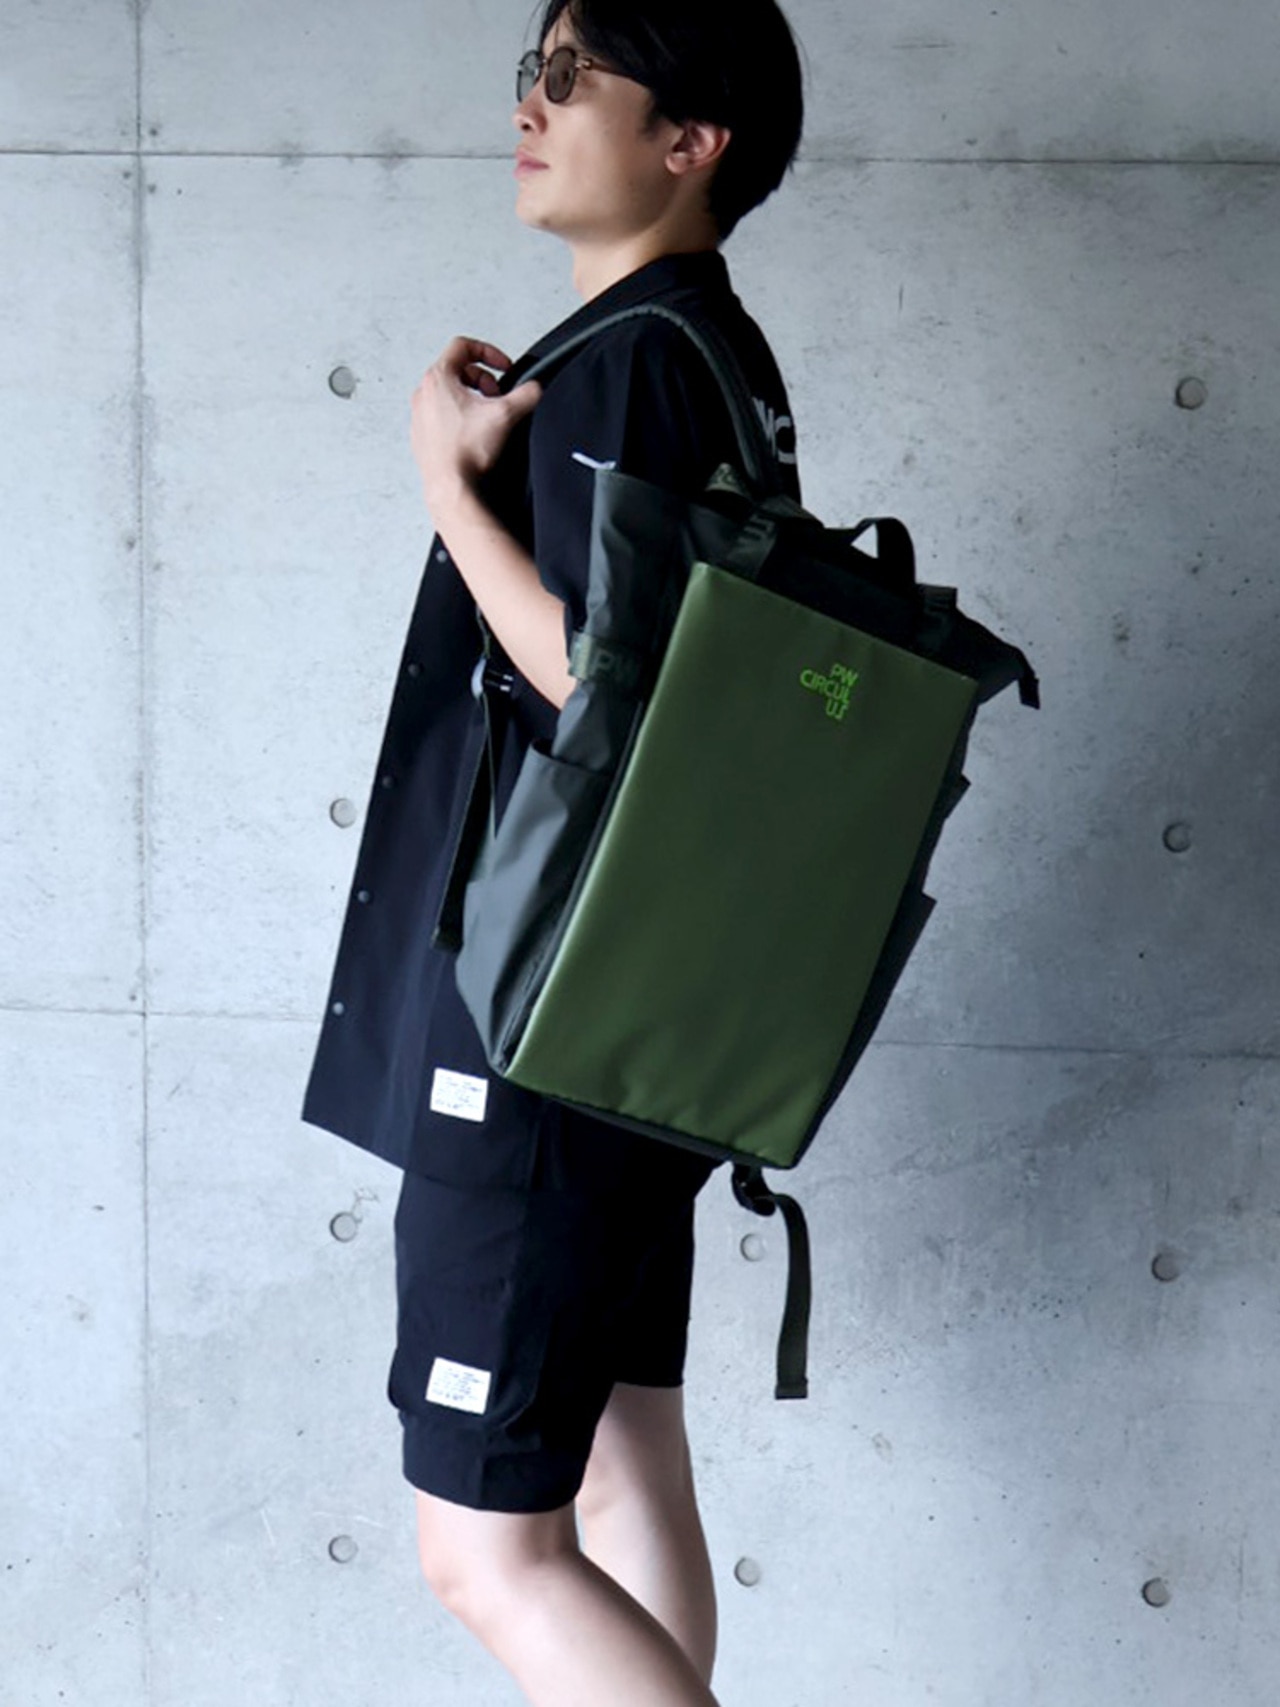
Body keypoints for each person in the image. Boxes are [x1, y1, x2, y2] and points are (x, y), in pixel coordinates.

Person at [300, 2, 804, 1701]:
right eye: (534, 68)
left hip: (536, 1007)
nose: (535, 99)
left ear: (690, 143)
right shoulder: (711, 356)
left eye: (577, 75)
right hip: (633, 1002)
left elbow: (608, 686)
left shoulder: (638, 363)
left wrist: (451, 488)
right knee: (619, 1462)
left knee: (488, 1550)